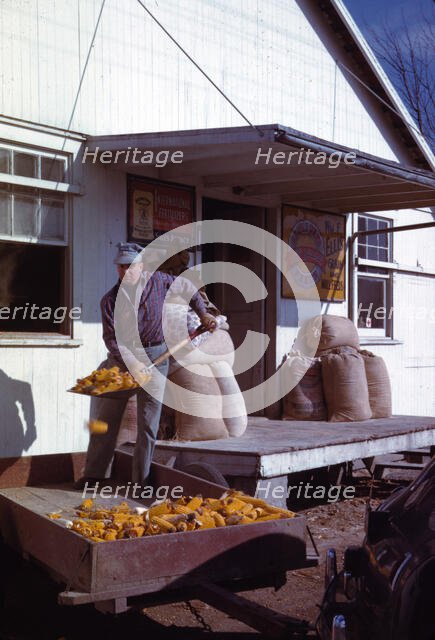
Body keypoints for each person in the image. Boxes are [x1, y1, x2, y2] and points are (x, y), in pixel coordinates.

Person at [78, 242, 216, 488]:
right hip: (122, 361)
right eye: (121, 267)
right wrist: (132, 363)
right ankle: (94, 475)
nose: (125, 271)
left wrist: (203, 313)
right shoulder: (109, 301)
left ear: (141, 266)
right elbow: (112, 340)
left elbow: (189, 289)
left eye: (130, 266)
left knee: (148, 425)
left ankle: (140, 482)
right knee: (105, 421)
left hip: (157, 356)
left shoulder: (161, 282)